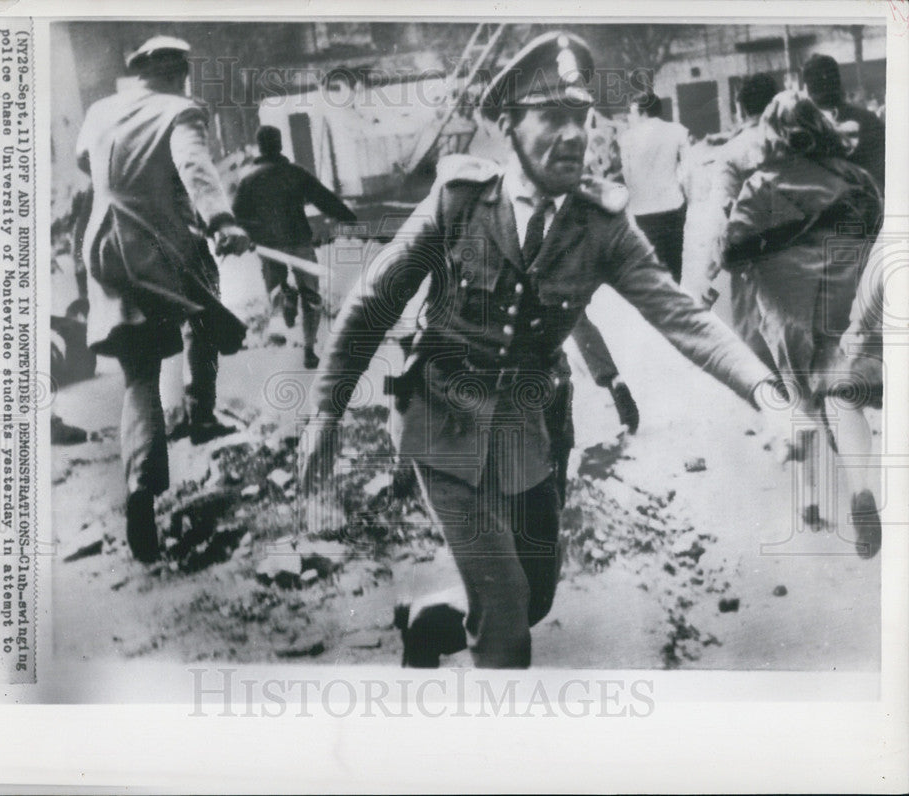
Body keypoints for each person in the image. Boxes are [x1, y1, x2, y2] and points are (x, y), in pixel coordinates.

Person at [301, 31, 790, 669]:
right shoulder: (458, 202)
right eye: (551, 117)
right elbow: (375, 302)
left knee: (532, 600)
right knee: (506, 623)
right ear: (508, 128)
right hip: (444, 423)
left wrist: (768, 393)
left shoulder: (602, 226)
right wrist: (325, 416)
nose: (572, 135)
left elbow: (681, 316)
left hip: (531, 428)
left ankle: (425, 623)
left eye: (581, 119)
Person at [76, 36, 251, 562]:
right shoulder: (181, 110)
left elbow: (89, 162)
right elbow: (195, 168)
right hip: (154, 247)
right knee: (206, 300)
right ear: (179, 74)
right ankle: (202, 410)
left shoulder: (100, 110)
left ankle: (140, 490)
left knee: (139, 375)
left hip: (102, 246)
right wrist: (222, 221)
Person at [723, 90, 884, 558]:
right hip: (847, 299)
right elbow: (880, 235)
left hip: (788, 309)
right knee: (842, 394)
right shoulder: (856, 178)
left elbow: (732, 253)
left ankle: (810, 502)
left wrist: (786, 237)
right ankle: (860, 492)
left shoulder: (761, 184)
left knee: (799, 400)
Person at [232, 125, 357, 369]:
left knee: (274, 292)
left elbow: (236, 216)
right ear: (280, 145)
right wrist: (347, 216)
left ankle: (284, 294)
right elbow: (324, 198)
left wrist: (249, 235)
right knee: (311, 297)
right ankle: (309, 349)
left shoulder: (248, 179)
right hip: (299, 239)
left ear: (260, 147)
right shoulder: (295, 173)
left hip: (269, 246)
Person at [701, 73, 781, 369]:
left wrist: (708, 276)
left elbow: (725, 219)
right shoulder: (797, 139)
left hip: (756, 264)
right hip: (806, 258)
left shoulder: (731, 154)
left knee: (757, 345)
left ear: (741, 110)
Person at [618, 91, 691, 282]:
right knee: (675, 263)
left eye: (631, 112)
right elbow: (688, 171)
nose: (629, 117)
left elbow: (628, 176)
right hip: (673, 206)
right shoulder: (677, 130)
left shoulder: (627, 138)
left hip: (643, 211)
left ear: (641, 112)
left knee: (652, 266)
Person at [801, 54, 885, 191]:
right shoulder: (869, 119)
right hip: (871, 202)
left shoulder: (799, 129)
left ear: (807, 89)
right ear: (839, 83)